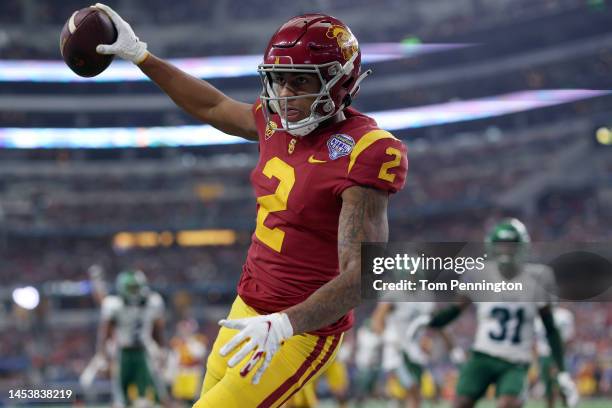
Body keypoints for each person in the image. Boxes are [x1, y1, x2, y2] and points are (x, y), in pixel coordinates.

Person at [94, 4, 408, 406]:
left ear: (340, 82)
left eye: (300, 83)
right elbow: (212, 105)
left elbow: (363, 275)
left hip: (300, 330)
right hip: (245, 306)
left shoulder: (367, 149)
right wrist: (142, 56)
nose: (285, 95)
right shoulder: (275, 120)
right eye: (279, 80)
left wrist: (284, 325)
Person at [415, 219, 579, 408]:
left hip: (516, 360)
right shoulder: (479, 275)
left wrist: (562, 371)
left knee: (508, 404)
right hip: (483, 355)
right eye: (502, 245)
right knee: (460, 403)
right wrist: (431, 322)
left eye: (511, 245)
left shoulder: (538, 278)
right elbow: (455, 310)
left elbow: (550, 329)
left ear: (522, 247)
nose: (506, 251)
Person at [96, 269, 168, 407]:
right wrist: (103, 356)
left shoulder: (152, 301)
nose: (134, 291)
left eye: (136, 287)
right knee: (120, 400)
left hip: (145, 351)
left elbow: (158, 330)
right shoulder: (114, 304)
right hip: (123, 353)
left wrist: (162, 350)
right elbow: (105, 333)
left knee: (152, 397)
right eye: (131, 288)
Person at [534, 307, 575, 408]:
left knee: (563, 385)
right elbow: (535, 341)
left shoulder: (565, 315)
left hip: (558, 355)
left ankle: (567, 404)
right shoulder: (537, 318)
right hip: (543, 355)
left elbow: (568, 338)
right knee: (548, 388)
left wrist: (559, 354)